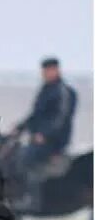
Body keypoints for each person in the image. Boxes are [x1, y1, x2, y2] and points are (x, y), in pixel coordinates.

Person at [13, 57, 78, 210]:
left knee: (27, 158)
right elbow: (36, 115)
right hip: (39, 138)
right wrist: (19, 128)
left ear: (56, 70)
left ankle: (32, 199)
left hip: (54, 140)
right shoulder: (46, 89)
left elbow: (60, 118)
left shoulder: (63, 91)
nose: (45, 74)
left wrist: (44, 134)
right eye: (44, 71)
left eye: (49, 70)